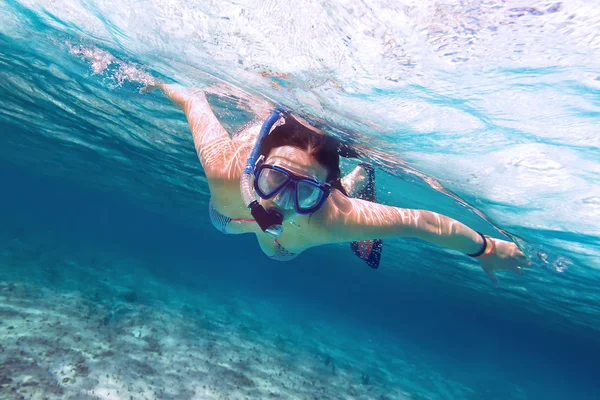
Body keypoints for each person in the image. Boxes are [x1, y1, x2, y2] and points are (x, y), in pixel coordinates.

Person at [141, 82, 530, 285]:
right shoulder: (225, 171)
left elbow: (422, 223)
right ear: (255, 166)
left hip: (287, 237)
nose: (281, 202)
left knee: (277, 252)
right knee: (225, 223)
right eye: (274, 178)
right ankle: (349, 179)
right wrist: (163, 86)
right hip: (230, 214)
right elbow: (194, 101)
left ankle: (358, 177)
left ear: (329, 191)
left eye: (306, 191)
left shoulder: (333, 217)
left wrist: (485, 248)